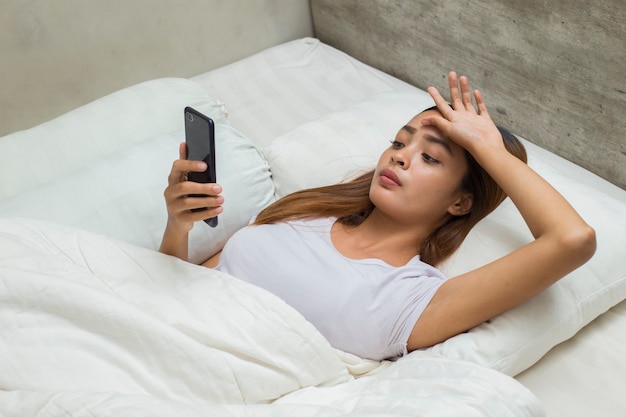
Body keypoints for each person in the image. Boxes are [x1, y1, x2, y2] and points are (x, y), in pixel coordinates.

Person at [159, 72, 596, 361]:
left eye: (430, 156)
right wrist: (178, 225)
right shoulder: (302, 212)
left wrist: (488, 150)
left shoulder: (414, 298)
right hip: (164, 331)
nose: (401, 157)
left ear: (460, 202)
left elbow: (571, 240)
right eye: (400, 142)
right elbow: (180, 286)